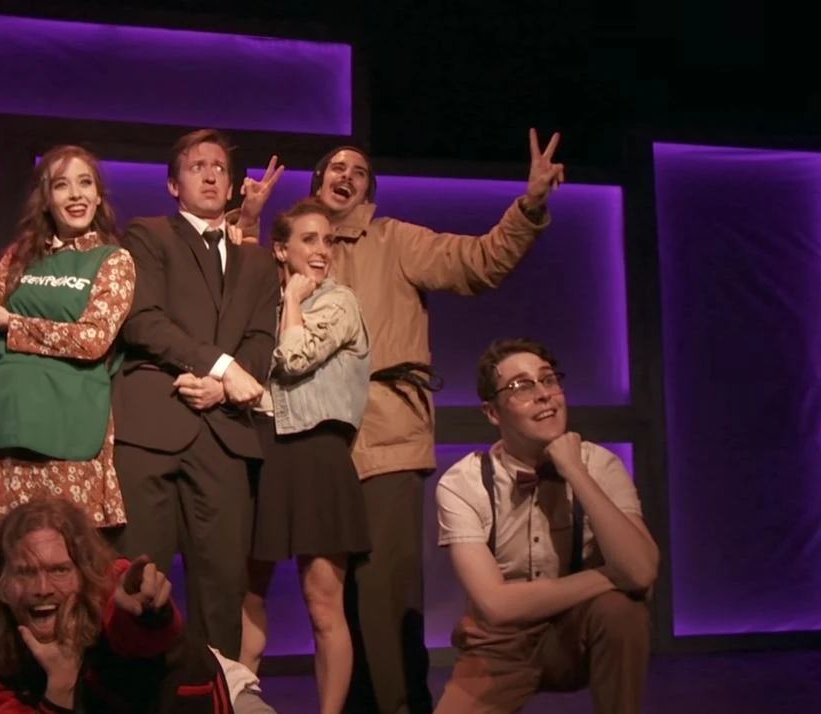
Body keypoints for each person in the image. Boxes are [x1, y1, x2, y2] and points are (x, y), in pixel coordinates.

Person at [304, 132, 565, 714]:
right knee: (329, 600)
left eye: (360, 171)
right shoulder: (297, 246)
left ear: (368, 190)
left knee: (386, 593)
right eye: (337, 168)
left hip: (387, 433)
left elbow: (478, 262)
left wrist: (529, 206)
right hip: (316, 441)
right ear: (317, 185)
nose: (347, 176)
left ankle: (400, 706)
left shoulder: (394, 240)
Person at [0, 146, 136, 714]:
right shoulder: (25, 254)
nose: (75, 194)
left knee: (63, 597)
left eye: (85, 183)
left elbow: (94, 339)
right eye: (62, 184)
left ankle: (62, 703)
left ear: (98, 195)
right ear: (47, 197)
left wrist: (14, 323)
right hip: (0, 435)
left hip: (67, 438)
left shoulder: (114, 261)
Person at [109, 129, 282, 659]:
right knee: (140, 580)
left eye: (219, 168)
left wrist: (223, 389)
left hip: (224, 436)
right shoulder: (149, 235)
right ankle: (135, 690)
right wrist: (222, 367)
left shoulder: (259, 263)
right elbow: (144, 321)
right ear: (173, 184)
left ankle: (216, 691)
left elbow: (261, 341)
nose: (210, 175)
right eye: (196, 166)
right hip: (153, 425)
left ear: (231, 187)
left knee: (224, 585)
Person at [432, 337, 657, 713]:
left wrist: (575, 471)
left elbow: (643, 569)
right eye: (521, 386)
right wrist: (611, 574)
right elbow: (497, 605)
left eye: (548, 380)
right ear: (492, 413)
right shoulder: (463, 483)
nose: (543, 395)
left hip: (575, 631)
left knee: (622, 612)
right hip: (498, 645)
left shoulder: (600, 465)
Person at [238, 198, 371, 714]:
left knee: (323, 606)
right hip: (266, 451)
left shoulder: (338, 302)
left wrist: (294, 298)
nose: (321, 250)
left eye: (328, 240)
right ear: (281, 249)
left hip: (317, 455)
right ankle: (240, 702)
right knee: (248, 596)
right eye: (309, 239)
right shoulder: (262, 304)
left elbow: (294, 358)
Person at [0, 498, 279, 713]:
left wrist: (149, 613)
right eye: (25, 572)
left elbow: (145, 633)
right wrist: (60, 684)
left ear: (84, 572)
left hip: (211, 699)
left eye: (59, 570)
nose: (42, 589)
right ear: (1, 582)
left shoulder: (112, 589)